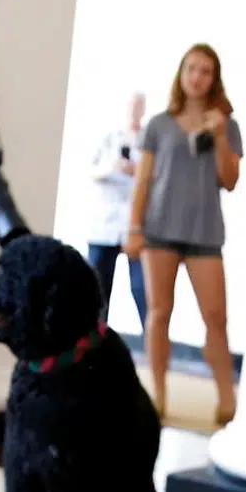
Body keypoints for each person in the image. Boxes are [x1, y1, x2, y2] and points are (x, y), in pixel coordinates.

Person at [125, 44, 243, 424]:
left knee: (216, 318)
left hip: (204, 233)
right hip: (159, 230)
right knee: (158, 313)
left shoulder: (227, 126)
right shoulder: (159, 125)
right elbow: (143, 181)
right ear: (182, 73)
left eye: (205, 71)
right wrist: (134, 227)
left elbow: (230, 180)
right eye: (192, 68)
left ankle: (227, 399)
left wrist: (220, 135)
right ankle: (157, 395)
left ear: (214, 78)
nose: (197, 77)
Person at [85, 92, 149, 327]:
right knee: (96, 290)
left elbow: (159, 178)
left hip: (136, 226)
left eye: (139, 106)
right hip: (105, 225)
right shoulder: (109, 138)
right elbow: (91, 170)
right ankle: (93, 340)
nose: (134, 110)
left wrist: (138, 171)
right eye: (131, 105)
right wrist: (113, 167)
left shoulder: (149, 141)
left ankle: (152, 341)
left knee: (143, 289)